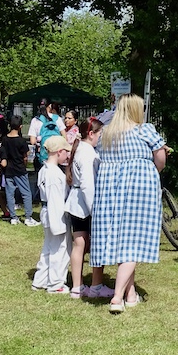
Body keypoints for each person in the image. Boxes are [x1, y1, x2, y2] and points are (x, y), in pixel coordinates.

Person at [91, 94, 168, 313]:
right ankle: (117, 297)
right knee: (132, 241)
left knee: (121, 239)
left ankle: (130, 294)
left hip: (110, 190)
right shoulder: (143, 129)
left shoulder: (106, 133)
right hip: (138, 187)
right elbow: (160, 158)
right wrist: (153, 169)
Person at [65, 117, 109, 299]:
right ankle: (96, 285)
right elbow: (87, 185)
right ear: (91, 134)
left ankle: (77, 286)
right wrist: (95, 210)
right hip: (86, 203)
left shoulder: (81, 149)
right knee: (94, 244)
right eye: (100, 134)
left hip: (76, 202)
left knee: (79, 244)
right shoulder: (88, 153)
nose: (101, 138)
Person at [32, 135, 73, 294]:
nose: (67, 155)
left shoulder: (44, 169)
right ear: (59, 151)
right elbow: (56, 200)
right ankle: (56, 284)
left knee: (48, 247)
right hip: (55, 214)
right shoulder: (54, 174)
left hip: (47, 212)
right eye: (66, 152)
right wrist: (59, 225)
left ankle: (40, 279)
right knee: (60, 249)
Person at [2, 115, 39, 226]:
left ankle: (13, 217)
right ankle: (28, 217)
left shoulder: (4, 139)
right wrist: (25, 164)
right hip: (19, 169)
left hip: (8, 169)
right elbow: (25, 156)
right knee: (26, 193)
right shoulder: (21, 141)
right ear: (20, 126)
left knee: (9, 193)